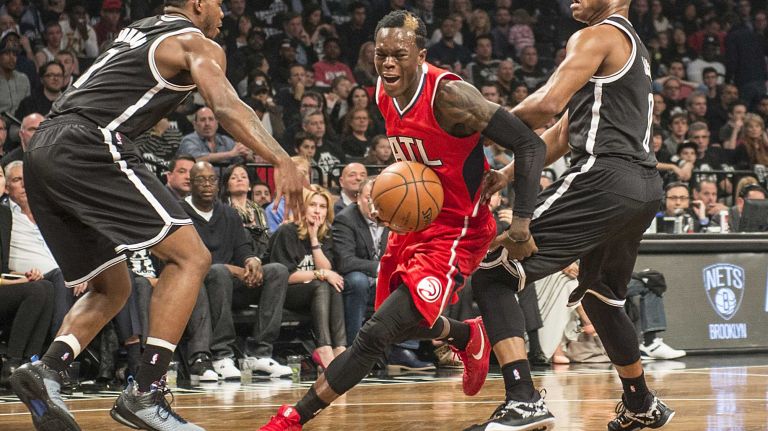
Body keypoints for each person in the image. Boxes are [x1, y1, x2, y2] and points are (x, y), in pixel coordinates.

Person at [9, 0, 305, 428]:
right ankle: (145, 391)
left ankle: (48, 369)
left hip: (41, 151)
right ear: (198, 4)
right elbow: (225, 105)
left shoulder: (140, 29)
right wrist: (282, 159)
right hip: (90, 142)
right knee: (192, 257)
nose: (225, 12)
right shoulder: (193, 41)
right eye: (219, 3)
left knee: (112, 286)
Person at [260, 10, 546, 430]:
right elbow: (413, 166)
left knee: (376, 333)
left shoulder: (450, 96)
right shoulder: (382, 91)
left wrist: (521, 222)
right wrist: (384, 198)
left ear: (421, 55)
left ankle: (293, 418)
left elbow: (530, 144)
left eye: (399, 54)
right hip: (413, 225)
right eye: (382, 54)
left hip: (457, 230)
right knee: (395, 324)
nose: (389, 63)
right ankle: (467, 336)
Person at [472, 0, 675, 429]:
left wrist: (481, 124)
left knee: (493, 273)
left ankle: (523, 400)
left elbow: (547, 103)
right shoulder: (634, 48)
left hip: (604, 177)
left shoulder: (597, 35)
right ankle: (641, 402)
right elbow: (564, 130)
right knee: (601, 297)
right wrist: (507, 173)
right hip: (643, 188)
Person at [181, 162, 292, 379]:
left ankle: (259, 354)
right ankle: (222, 355)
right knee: (218, 272)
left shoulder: (228, 213)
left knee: (277, 271)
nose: (207, 184)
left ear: (218, 184)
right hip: (201, 286)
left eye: (212, 179)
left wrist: (251, 261)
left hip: (231, 283)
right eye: (201, 180)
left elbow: (243, 247)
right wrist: (233, 269)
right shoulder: (180, 212)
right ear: (190, 184)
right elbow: (191, 260)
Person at [266, 186, 346, 369]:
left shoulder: (325, 234)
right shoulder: (286, 232)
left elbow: (327, 269)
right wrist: (320, 274)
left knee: (333, 285)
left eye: (323, 207)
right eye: (312, 205)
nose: (318, 211)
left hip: (312, 293)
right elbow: (284, 276)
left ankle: (340, 348)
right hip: (283, 293)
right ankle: (324, 348)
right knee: (323, 284)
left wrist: (314, 239)